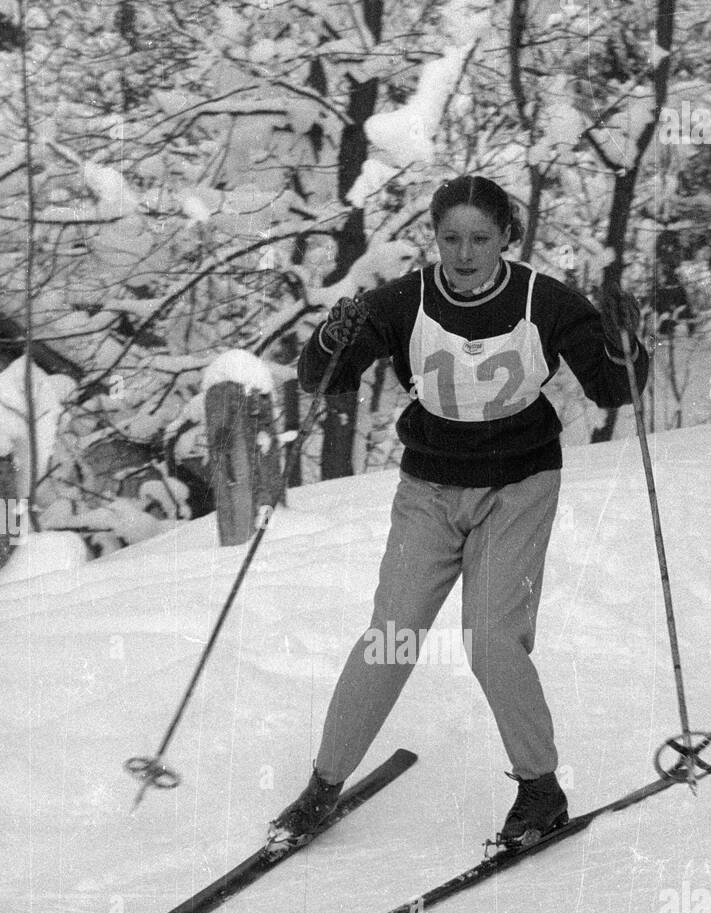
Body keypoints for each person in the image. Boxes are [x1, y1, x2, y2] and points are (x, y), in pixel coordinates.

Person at [268, 174, 648, 850]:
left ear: (506, 237)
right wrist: (332, 338)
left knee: (491, 639)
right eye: (451, 238)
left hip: (518, 486)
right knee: (391, 634)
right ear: (435, 239)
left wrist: (624, 341)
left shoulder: (544, 301)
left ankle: (540, 789)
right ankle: (323, 785)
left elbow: (613, 387)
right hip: (430, 489)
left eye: (480, 238)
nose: (464, 253)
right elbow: (321, 378)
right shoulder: (403, 300)